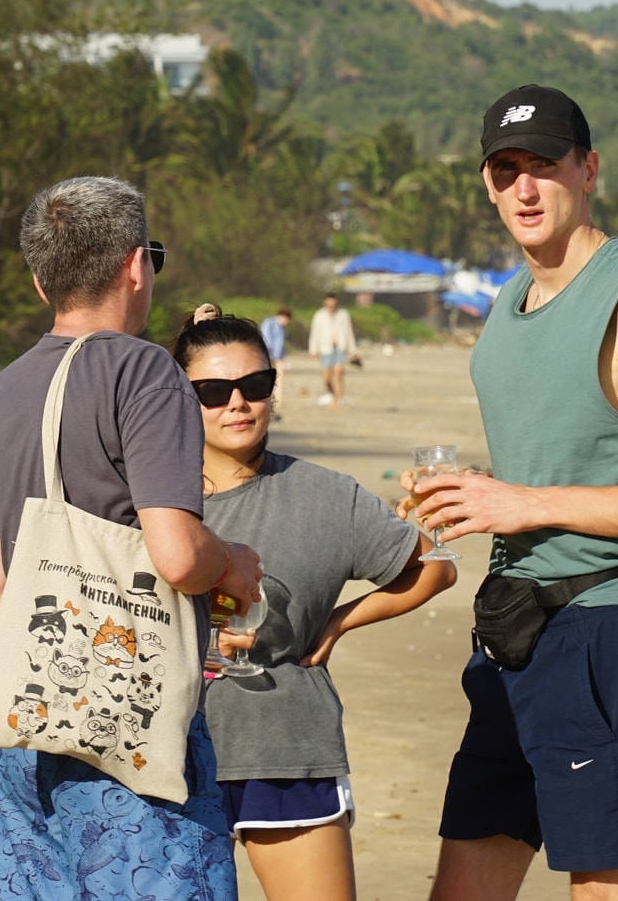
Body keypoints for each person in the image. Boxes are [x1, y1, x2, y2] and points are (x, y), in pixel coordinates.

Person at [403, 84, 618, 901]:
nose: (524, 188)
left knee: (604, 887)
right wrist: (475, 491)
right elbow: (563, 454)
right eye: (505, 169)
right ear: (486, 184)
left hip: (604, 632)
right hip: (510, 627)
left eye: (544, 165)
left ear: (588, 170)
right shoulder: (507, 302)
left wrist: (524, 503)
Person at [0, 176, 262, 900]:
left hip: (30, 729)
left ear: (41, 282)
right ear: (135, 265)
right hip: (127, 728)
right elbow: (178, 556)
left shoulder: (2, 392)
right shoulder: (144, 370)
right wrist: (232, 563)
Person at [173, 308, 457, 900]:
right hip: (166, 753)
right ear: (180, 396)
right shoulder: (149, 503)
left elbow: (435, 566)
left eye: (255, 385)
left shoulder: (324, 495)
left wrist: (338, 622)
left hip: (284, 744)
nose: (237, 403)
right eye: (213, 391)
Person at [307, 293, 357, 406]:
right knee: (327, 379)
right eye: (329, 306)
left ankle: (336, 401)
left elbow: (349, 332)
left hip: (340, 348)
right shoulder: (319, 315)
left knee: (339, 374)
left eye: (333, 306)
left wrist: (353, 350)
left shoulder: (343, 315)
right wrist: (313, 349)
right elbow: (314, 333)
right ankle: (334, 395)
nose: (331, 308)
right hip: (325, 349)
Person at [259, 306, 292, 412]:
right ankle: (269, 399)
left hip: (279, 356)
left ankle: (279, 400)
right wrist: (271, 356)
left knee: (280, 377)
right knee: (269, 378)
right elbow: (266, 339)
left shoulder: (282, 327)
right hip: (269, 355)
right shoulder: (269, 323)